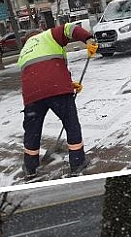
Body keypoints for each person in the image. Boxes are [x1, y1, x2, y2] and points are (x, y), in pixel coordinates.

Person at [17, 23, 98, 179]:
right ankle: (77, 162)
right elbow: (69, 28)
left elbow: (39, 74)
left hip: (32, 96)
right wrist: (88, 39)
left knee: (32, 132)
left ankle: (30, 166)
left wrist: (68, 84)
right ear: (39, 33)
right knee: (71, 124)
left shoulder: (24, 51)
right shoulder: (48, 35)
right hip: (57, 90)